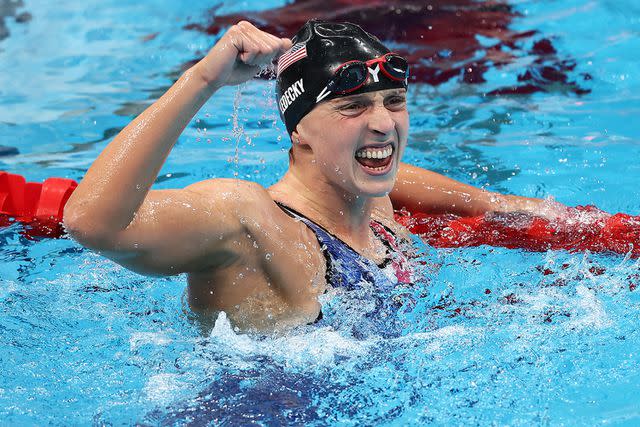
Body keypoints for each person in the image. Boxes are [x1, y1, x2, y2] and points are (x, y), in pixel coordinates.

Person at [63, 20, 543, 333]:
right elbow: (92, 223)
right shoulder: (251, 223)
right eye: (353, 107)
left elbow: (398, 177)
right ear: (300, 134)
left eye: (394, 103)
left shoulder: (368, 198)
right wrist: (202, 80)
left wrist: (501, 206)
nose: (383, 125)